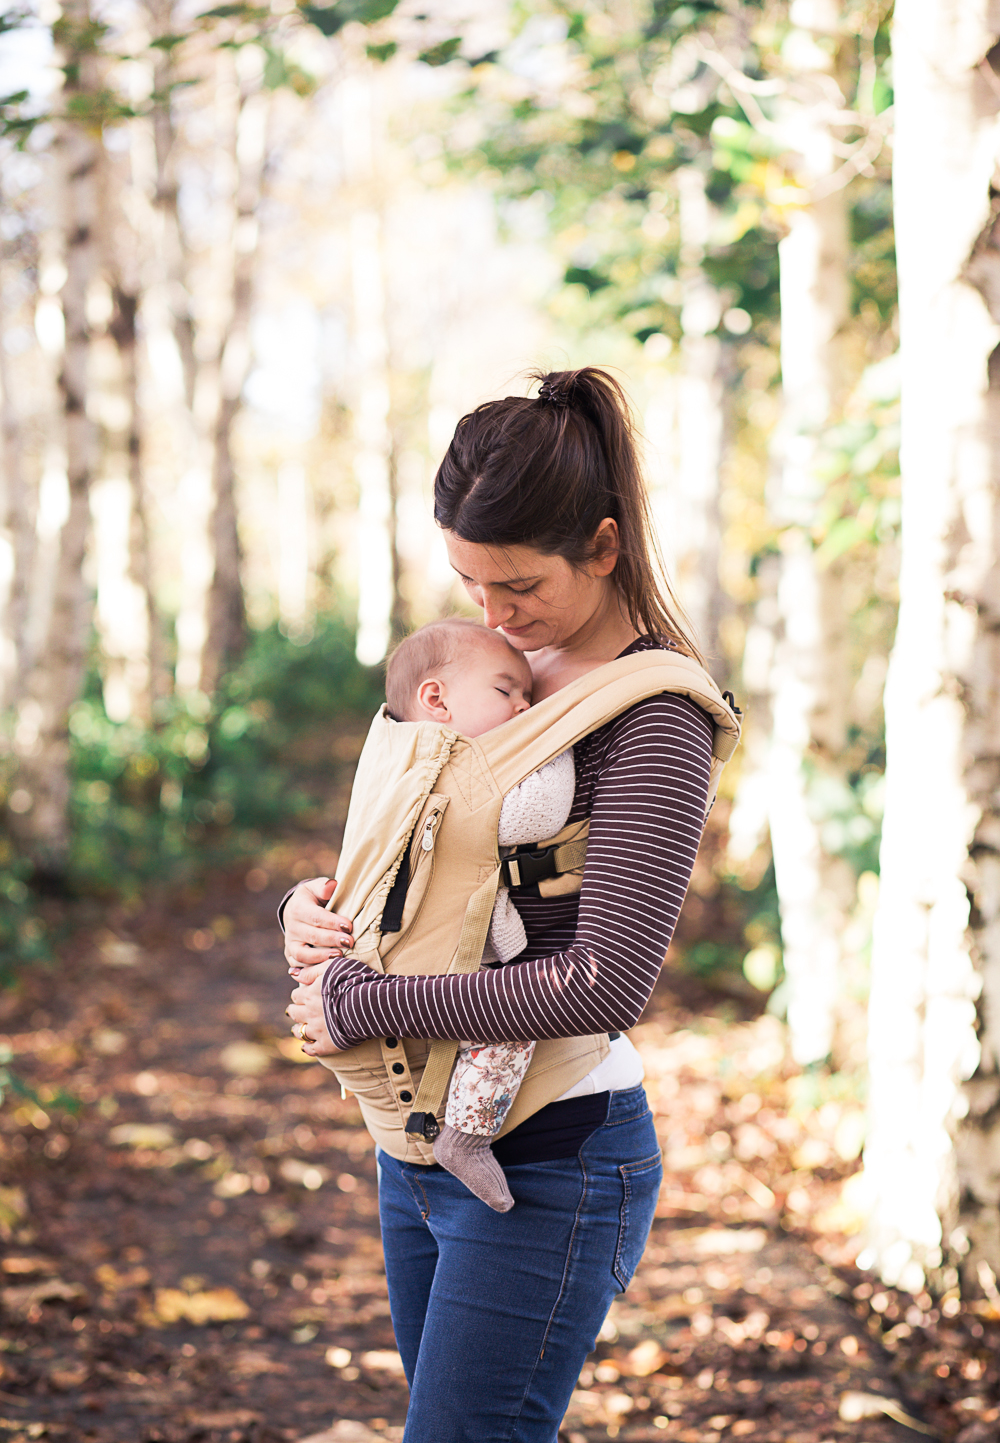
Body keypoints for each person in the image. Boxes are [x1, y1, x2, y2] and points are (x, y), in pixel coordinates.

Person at [284, 367, 715, 1443]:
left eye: (517, 586)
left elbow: (606, 981)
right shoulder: (482, 667)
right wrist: (316, 912)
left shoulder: (652, 716)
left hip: (554, 1155)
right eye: (470, 584)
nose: (493, 617)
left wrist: (371, 1006)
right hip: (415, 1142)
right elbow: (413, 845)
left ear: (604, 548)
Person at [297, 614, 578, 1214]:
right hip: (411, 975)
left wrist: (299, 902)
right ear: (436, 699)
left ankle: (455, 1129)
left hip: (374, 968)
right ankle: (468, 1135)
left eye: (531, 697)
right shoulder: (459, 768)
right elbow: (537, 817)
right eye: (509, 692)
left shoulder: (392, 756)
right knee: (510, 1020)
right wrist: (558, 743)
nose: (527, 708)